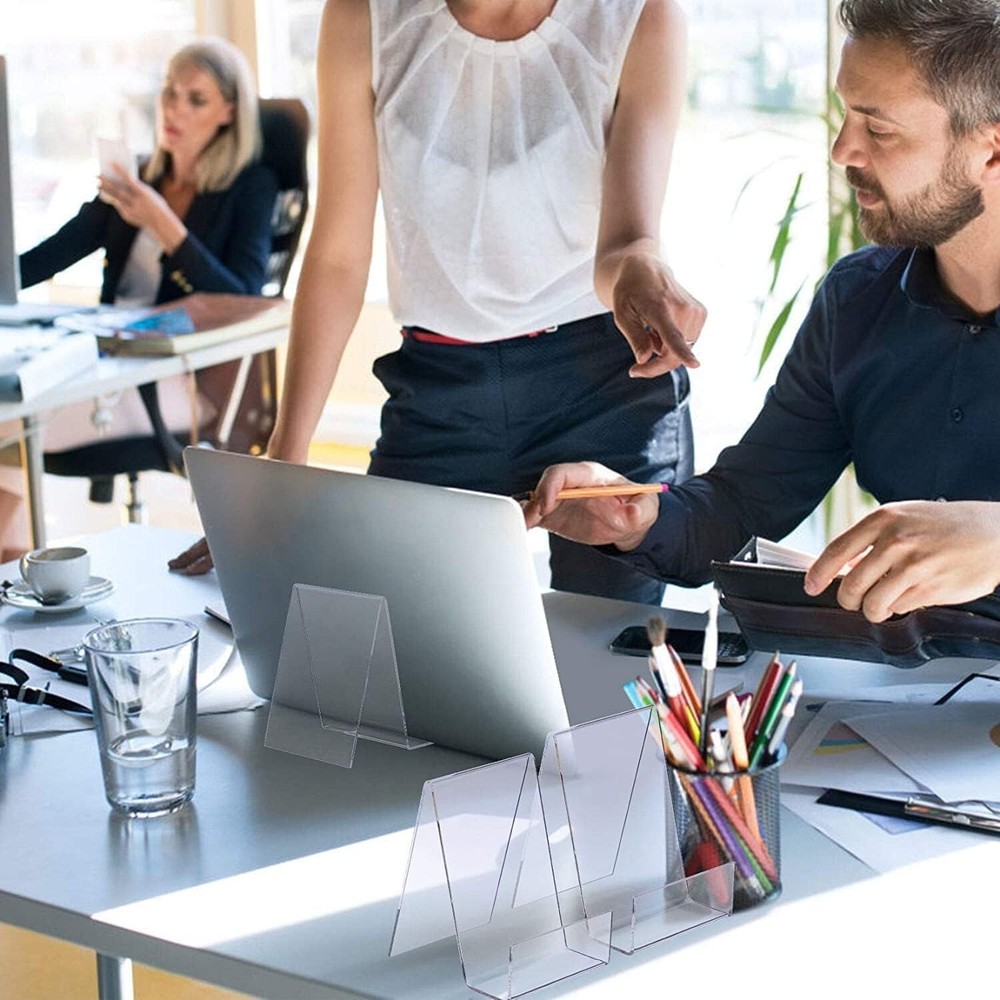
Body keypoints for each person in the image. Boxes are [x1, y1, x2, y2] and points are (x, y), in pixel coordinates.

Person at [170, 0, 706, 603]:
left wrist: (641, 271)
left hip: (605, 385)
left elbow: (625, 242)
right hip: (439, 391)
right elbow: (339, 256)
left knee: (606, 661)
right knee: (393, 643)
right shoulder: (361, 17)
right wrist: (282, 461)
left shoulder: (642, 16)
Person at [524, 0, 1000, 624]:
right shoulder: (856, 303)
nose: (842, 150)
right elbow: (745, 505)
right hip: (905, 692)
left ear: (991, 151)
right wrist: (638, 518)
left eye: (877, 129)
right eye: (845, 115)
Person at [7, 37, 276, 557]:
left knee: (13, 414)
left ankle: (17, 566)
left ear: (229, 112)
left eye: (195, 99)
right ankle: (15, 569)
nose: (174, 109)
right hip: (109, 361)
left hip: (182, 375)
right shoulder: (138, 180)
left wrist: (162, 222)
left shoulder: (250, 186)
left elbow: (241, 295)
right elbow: (41, 262)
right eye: (170, 93)